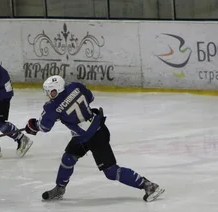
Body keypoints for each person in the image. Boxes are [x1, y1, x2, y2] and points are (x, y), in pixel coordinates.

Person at [24, 75, 165, 202]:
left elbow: (44, 127)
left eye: (51, 91)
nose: (49, 95)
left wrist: (32, 126)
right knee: (68, 158)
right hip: (89, 132)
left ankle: (149, 186)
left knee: (111, 172)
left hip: (95, 136)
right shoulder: (75, 86)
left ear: (57, 89)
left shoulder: (51, 107)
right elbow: (90, 98)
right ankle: (60, 189)